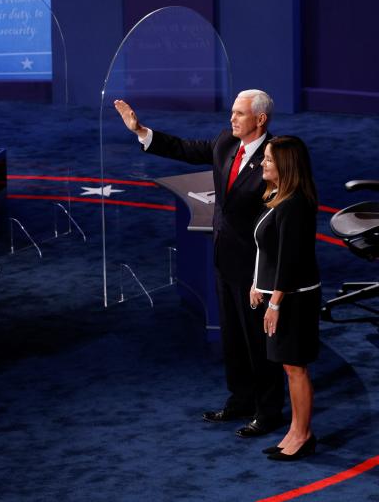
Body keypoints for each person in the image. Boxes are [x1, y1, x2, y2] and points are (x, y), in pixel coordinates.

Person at [114, 90, 285, 438]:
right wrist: (141, 131)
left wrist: (267, 275)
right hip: (224, 258)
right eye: (232, 112)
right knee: (234, 336)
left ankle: (268, 411)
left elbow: (281, 218)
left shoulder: (277, 156)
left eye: (239, 114)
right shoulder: (225, 142)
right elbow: (185, 149)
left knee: (259, 340)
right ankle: (240, 398)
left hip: (256, 266)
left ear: (261, 119)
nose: (232, 119)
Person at [250, 136, 320, 461]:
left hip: (295, 300)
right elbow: (267, 251)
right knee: (289, 367)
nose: (262, 163)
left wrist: (275, 302)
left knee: (296, 368)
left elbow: (290, 261)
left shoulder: (295, 205)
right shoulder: (280, 196)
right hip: (278, 295)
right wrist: (256, 285)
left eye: (267, 159)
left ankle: (303, 435)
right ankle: (294, 430)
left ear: (285, 165)